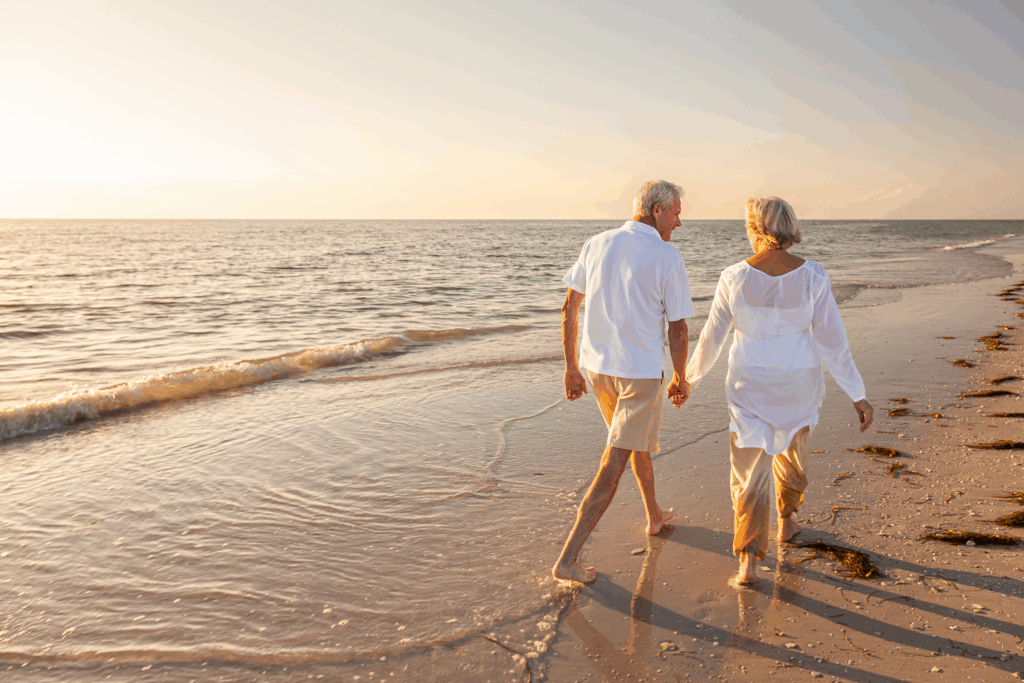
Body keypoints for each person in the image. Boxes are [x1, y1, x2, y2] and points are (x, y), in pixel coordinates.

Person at [685, 196, 874, 585]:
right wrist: (857, 393)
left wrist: (687, 380)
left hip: (748, 385)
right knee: (792, 458)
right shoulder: (814, 276)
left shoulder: (733, 277)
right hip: (797, 387)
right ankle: (786, 523)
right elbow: (833, 343)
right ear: (789, 227)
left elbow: (711, 340)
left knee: (749, 473)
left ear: (755, 228)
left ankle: (749, 562)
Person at [552, 180, 695, 585]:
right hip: (639, 375)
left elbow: (568, 309)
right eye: (676, 212)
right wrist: (682, 377)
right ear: (657, 211)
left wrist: (571, 367)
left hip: (598, 370)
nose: (679, 222)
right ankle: (568, 558)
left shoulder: (596, 243)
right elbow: (679, 328)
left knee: (633, 443)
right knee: (614, 460)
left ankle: (653, 515)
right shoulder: (666, 255)